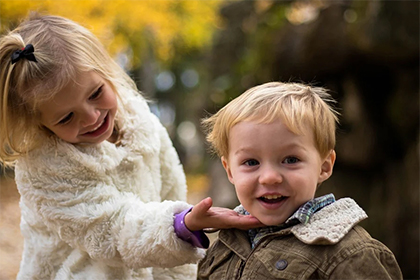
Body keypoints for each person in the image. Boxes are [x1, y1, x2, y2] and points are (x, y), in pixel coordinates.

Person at [0, 13, 262, 280]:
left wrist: (179, 267)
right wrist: (181, 225)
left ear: (106, 71)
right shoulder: (45, 168)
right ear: (40, 124)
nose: (92, 117)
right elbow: (110, 231)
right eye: (66, 117)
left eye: (96, 93)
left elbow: (171, 190)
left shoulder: (140, 123)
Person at [198, 82, 403, 279]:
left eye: (291, 160)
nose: (270, 177)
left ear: (324, 166)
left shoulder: (350, 253)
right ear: (230, 171)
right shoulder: (225, 242)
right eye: (251, 162)